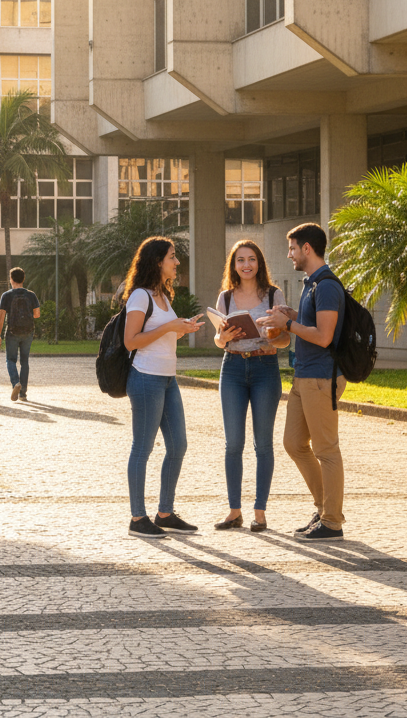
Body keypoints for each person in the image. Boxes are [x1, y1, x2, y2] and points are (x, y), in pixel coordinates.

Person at [261, 223, 347, 541]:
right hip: (304, 375)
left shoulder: (325, 285)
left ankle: (332, 522)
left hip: (321, 378)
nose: (290, 254)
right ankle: (324, 508)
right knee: (293, 443)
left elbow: (324, 336)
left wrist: (289, 323)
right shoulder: (310, 283)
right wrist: (292, 314)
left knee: (326, 450)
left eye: (293, 248)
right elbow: (312, 323)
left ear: (307, 249)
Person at [123, 237, 205, 538]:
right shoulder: (140, 297)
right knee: (142, 449)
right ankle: (137, 517)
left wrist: (182, 329)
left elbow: (160, 336)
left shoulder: (163, 296)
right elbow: (131, 341)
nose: (177, 262)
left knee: (178, 445)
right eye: (172, 257)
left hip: (168, 379)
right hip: (145, 378)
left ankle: (165, 513)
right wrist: (170, 327)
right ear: (158, 261)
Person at [212, 240, 290, 533]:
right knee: (233, 444)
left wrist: (274, 337)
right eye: (241, 260)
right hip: (231, 368)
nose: (246, 265)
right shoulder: (225, 298)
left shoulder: (273, 295)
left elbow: (285, 340)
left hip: (264, 368)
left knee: (263, 444)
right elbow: (219, 341)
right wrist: (224, 337)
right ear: (233, 265)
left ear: (260, 264)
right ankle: (234, 512)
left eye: (252, 259)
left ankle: (260, 513)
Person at [0, 267, 41, 402]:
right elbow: (37, 314)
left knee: (10, 359)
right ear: (24, 279)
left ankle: (16, 383)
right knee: (25, 361)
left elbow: (1, 316)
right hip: (28, 331)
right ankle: (23, 394)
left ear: (11, 280)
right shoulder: (31, 295)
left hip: (12, 331)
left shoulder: (7, 295)